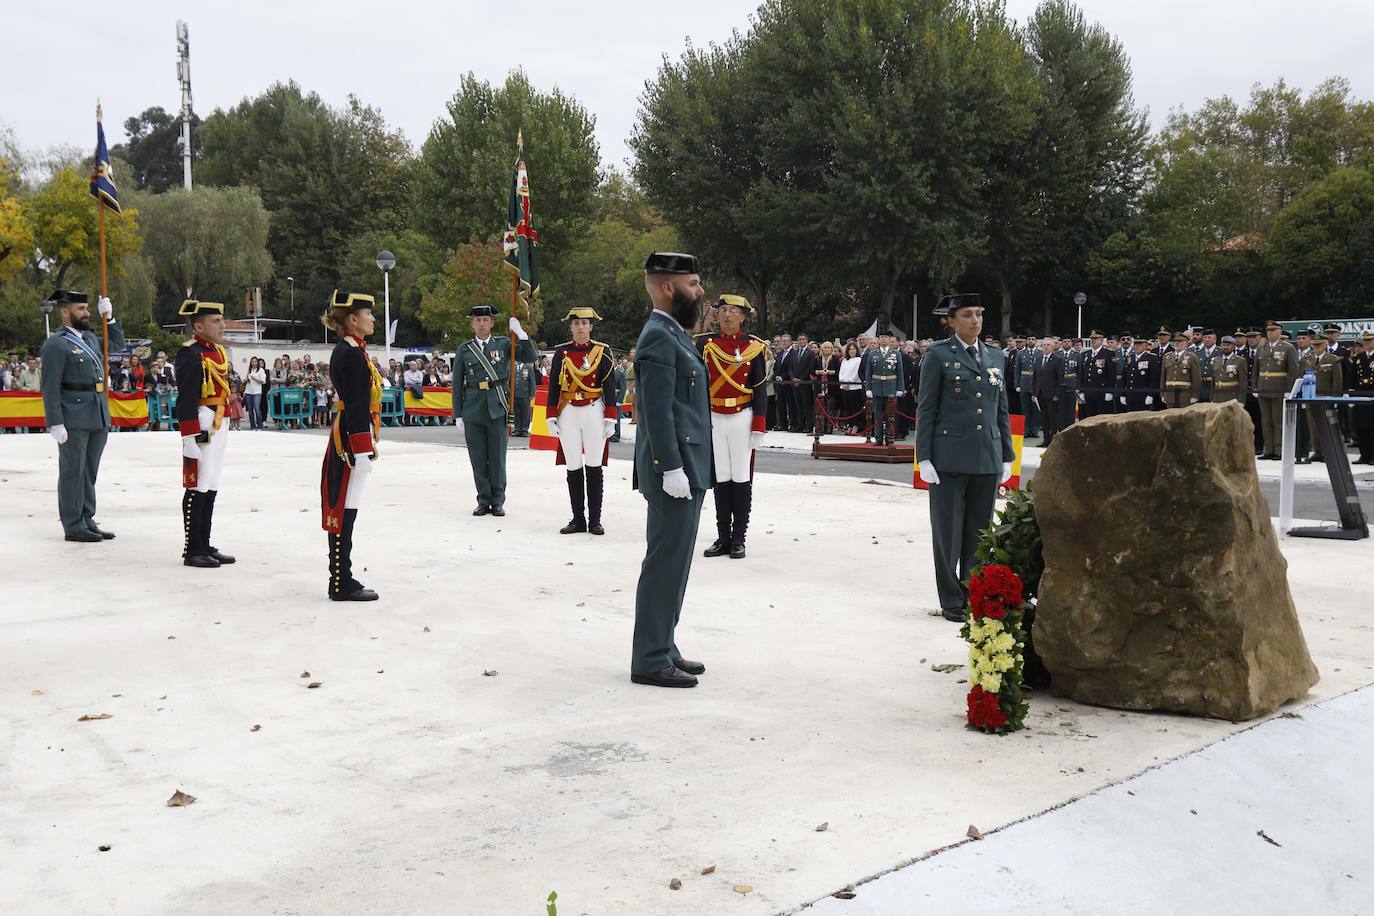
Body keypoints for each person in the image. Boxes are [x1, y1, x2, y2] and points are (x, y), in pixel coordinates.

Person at [630, 252, 710, 688]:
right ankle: (649, 657)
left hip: (688, 466)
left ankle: (664, 644)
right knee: (664, 564)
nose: (700, 292)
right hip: (673, 470)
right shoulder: (658, 337)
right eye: (694, 284)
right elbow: (656, 412)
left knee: (676, 564)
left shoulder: (674, 334)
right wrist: (670, 468)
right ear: (667, 287)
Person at [916, 294, 1013, 622]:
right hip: (948, 458)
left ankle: (973, 591)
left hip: (987, 455)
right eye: (968, 315)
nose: (975, 320)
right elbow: (926, 409)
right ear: (951, 320)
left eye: (979, 314)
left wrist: (1007, 455)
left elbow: (1001, 408)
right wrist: (924, 457)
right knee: (948, 532)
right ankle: (951, 599)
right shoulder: (938, 355)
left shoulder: (996, 356)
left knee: (979, 531)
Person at [39, 290, 125, 541]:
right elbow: (50, 385)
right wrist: (55, 421)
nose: (87, 313)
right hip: (73, 414)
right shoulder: (56, 344)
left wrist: (108, 320)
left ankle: (87, 518)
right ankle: (73, 523)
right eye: (81, 309)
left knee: (89, 470)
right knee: (72, 471)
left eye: (88, 309)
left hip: (97, 411)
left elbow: (117, 345)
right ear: (65, 312)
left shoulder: (88, 337)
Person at [320, 291, 384, 601]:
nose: (372, 318)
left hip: (350, 432)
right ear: (353, 319)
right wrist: (362, 448)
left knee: (348, 509)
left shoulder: (354, 349)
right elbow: (358, 404)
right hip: (349, 436)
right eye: (367, 314)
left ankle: (342, 577)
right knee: (345, 509)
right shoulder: (351, 353)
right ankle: (340, 581)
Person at [696, 293, 768, 559]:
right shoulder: (705, 344)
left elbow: (759, 388)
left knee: (740, 476)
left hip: (742, 415)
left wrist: (759, 425)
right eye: (723, 310)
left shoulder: (754, 347)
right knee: (721, 477)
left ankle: (739, 538)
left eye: (733, 311)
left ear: (743, 317)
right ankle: (722, 537)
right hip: (714, 416)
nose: (726, 315)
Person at [453, 304, 537, 516]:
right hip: (472, 408)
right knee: (478, 458)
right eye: (478, 320)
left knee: (497, 458)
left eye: (485, 320)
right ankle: (483, 500)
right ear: (472, 323)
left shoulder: (504, 344)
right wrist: (458, 413)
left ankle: (497, 500)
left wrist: (522, 334)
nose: (482, 323)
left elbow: (529, 357)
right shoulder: (464, 349)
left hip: (497, 407)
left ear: (491, 323)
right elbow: (456, 384)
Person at [172, 300, 237, 567]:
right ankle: (192, 549)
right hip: (201, 422)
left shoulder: (219, 352)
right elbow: (185, 397)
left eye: (222, 320)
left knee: (211, 483)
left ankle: (205, 543)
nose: (222, 325)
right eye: (215, 321)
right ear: (198, 326)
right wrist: (188, 437)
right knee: (198, 484)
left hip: (220, 420)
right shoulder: (189, 353)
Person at [546, 307, 618, 536]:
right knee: (573, 467)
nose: (580, 327)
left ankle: (595, 520)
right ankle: (578, 519)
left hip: (593, 410)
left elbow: (609, 386)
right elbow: (554, 387)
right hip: (568, 412)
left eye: (584, 323)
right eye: (576, 324)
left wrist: (611, 417)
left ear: (591, 326)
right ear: (571, 327)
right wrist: (550, 415)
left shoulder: (603, 352)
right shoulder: (561, 353)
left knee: (594, 466)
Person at [1256, 320, 1299, 460]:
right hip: (1263, 387)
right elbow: (1257, 368)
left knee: (1278, 421)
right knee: (1266, 421)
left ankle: (1278, 449)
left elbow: (1293, 370)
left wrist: (1289, 389)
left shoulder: (1287, 348)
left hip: (1279, 388)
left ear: (1280, 332)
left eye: (1273, 330)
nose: (1270, 333)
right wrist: (1255, 386)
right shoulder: (1261, 347)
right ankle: (1268, 449)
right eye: (1268, 330)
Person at [1302, 336, 1344, 464]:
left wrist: (1336, 399)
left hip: (1326, 399)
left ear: (1325, 345)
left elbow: (1337, 381)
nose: (1316, 347)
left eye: (1319, 345)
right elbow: (1302, 379)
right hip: (1310, 397)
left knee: (1327, 426)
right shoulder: (1307, 360)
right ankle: (1318, 451)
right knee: (1313, 426)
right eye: (1314, 345)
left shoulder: (1333, 360)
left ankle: (1328, 451)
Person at [863, 329, 906, 445]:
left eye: (885, 337)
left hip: (891, 387)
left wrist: (900, 388)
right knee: (877, 414)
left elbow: (900, 372)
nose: (883, 339)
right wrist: (868, 388)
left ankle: (889, 437)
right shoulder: (873, 354)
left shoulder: (896, 354)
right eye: (881, 337)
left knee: (890, 414)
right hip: (877, 386)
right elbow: (868, 373)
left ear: (889, 339)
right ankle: (878, 438)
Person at [1159, 332, 1203, 409]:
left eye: (1180, 341)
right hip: (1170, 394)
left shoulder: (1191, 357)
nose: (1177, 343)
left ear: (1186, 343)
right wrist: (1162, 393)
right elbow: (1163, 377)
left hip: (1185, 395)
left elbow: (1196, 378)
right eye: (1176, 341)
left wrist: (1195, 395)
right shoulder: (1167, 357)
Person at [1079, 330, 1116, 418]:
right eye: (1092, 338)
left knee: (1101, 419)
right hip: (1088, 392)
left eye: (1096, 338)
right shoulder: (1086, 354)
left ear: (1102, 340)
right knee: (1089, 418)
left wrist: (1109, 391)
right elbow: (1082, 374)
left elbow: (1111, 374)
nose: (1093, 340)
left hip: (1101, 393)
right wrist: (1081, 390)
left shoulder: (1108, 354)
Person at [1119, 335, 1160, 412]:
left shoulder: (1151, 358)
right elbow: (1124, 377)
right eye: (1136, 344)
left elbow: (1154, 379)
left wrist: (1151, 395)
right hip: (1130, 395)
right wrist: (1122, 394)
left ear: (1145, 345)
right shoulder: (1129, 358)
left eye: (1140, 344)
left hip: (1143, 395)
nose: (1137, 346)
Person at [1351, 331, 1374, 464]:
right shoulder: (1358, 357)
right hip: (1360, 393)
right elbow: (1353, 377)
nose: (1367, 343)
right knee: (1361, 426)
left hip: (1372, 393)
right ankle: (1364, 455)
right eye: (1365, 341)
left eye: (1369, 340)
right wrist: (1351, 392)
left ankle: (1372, 456)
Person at [1210, 336, 1248, 405]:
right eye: (1223, 345)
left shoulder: (1240, 361)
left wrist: (1241, 401)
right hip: (1217, 397)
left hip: (1232, 397)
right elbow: (1213, 381)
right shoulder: (1216, 360)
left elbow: (1243, 383)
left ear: (1233, 346)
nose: (1225, 347)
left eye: (1228, 345)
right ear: (1220, 346)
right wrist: (1211, 398)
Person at [838, 342, 864, 433]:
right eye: (850, 349)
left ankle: (856, 425)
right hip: (844, 387)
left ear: (856, 350)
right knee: (847, 408)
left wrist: (848, 382)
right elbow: (841, 372)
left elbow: (857, 373)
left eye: (853, 349)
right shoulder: (845, 360)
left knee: (855, 408)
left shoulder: (859, 360)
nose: (851, 351)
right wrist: (843, 381)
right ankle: (850, 425)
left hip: (854, 387)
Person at [512, 359, 536, 437]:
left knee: (526, 413)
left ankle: (524, 429)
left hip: (525, 395)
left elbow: (532, 381)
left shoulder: (528, 367)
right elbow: (509, 381)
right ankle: (518, 429)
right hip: (515, 395)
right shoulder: (513, 367)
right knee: (516, 413)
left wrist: (532, 393)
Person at [244, 357, 267, 430]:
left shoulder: (261, 370)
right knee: (250, 410)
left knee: (257, 408)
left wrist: (255, 379)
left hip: (257, 392)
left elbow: (263, 381)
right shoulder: (249, 370)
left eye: (255, 361)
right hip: (248, 391)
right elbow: (246, 379)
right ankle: (253, 426)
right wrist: (246, 380)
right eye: (252, 361)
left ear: (257, 362)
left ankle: (260, 425)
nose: (253, 363)